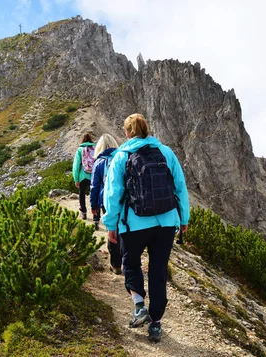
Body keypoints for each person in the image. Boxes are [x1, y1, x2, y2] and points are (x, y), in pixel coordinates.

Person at [102, 113, 190, 342]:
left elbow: (113, 194)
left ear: (127, 132)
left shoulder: (122, 156)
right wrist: (184, 220)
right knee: (158, 270)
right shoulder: (166, 152)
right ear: (147, 130)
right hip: (166, 223)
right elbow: (180, 187)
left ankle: (139, 306)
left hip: (134, 224)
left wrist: (111, 225)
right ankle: (157, 323)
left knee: (130, 263)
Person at [89, 134, 121, 274]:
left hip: (106, 201)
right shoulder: (121, 158)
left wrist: (93, 205)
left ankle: (116, 265)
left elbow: (94, 186)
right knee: (124, 230)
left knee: (111, 230)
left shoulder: (99, 162)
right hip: (123, 200)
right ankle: (127, 261)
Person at [72, 133, 96, 220]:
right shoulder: (95, 148)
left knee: (82, 193)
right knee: (94, 194)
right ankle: (95, 215)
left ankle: (84, 212)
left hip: (83, 176)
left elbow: (76, 165)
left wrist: (76, 179)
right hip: (93, 176)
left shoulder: (80, 149)